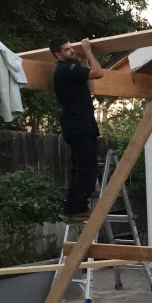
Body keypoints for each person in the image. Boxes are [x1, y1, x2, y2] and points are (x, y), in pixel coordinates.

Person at [50, 36, 103, 221]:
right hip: (79, 125)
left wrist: (84, 60)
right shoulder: (65, 69)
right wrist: (88, 50)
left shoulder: (69, 71)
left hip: (76, 125)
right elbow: (98, 73)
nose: (71, 51)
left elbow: (88, 82)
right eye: (66, 49)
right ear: (58, 54)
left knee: (80, 168)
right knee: (87, 168)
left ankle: (72, 209)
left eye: (71, 48)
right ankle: (79, 208)